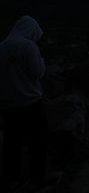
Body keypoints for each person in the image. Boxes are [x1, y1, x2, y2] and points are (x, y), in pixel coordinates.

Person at [0, 16, 47, 192]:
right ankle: (36, 179)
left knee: (12, 144)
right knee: (37, 142)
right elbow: (37, 72)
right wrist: (42, 62)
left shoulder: (2, 46)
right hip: (30, 102)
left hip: (8, 104)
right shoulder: (28, 46)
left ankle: (12, 178)